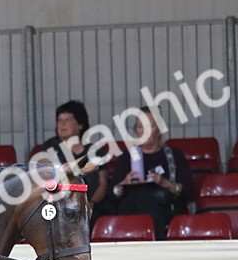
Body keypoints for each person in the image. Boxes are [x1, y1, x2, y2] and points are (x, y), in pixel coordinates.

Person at [108, 107, 193, 239]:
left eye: (149, 126)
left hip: (164, 208)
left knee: (147, 198)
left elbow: (188, 191)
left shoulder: (174, 156)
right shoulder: (126, 157)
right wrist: (124, 183)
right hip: (131, 211)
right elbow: (112, 195)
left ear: (159, 129)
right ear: (136, 131)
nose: (145, 131)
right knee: (139, 196)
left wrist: (165, 183)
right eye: (140, 126)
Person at [39, 100, 112, 221]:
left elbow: (103, 184)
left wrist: (91, 203)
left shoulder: (95, 150)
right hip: (61, 206)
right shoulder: (50, 146)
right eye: (59, 120)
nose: (62, 124)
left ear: (80, 124)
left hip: (94, 206)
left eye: (67, 120)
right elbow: (45, 170)